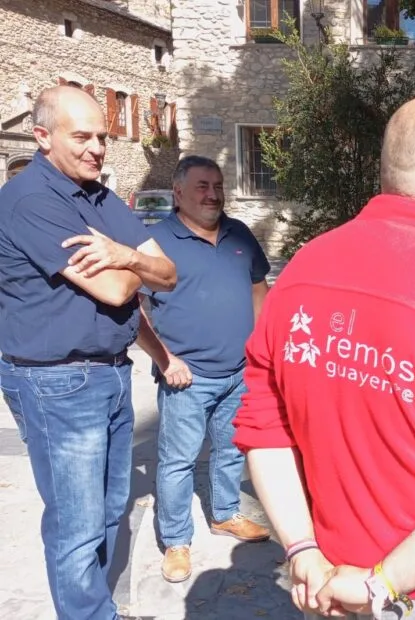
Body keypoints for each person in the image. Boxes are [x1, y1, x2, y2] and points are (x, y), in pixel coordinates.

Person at [232, 93, 415, 618]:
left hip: (324, 578)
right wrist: (379, 585)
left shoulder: (303, 268)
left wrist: (301, 548)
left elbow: (265, 429)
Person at [0, 85, 177, 620]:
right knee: (76, 526)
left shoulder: (98, 196)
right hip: (57, 381)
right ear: (42, 137)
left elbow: (166, 273)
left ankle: (93, 608)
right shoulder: (31, 200)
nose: (97, 147)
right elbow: (118, 290)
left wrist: (124, 254)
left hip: (112, 374)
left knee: (105, 512)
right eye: (81, 136)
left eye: (102, 135)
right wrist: (135, 266)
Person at [134, 155, 272, 584]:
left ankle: (226, 514)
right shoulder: (154, 243)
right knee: (178, 461)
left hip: (238, 373)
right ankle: (176, 541)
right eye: (201, 186)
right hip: (186, 379)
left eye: (217, 185)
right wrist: (164, 360)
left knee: (232, 450)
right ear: (178, 192)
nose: (213, 194)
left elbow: (257, 286)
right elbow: (131, 309)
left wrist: (260, 348)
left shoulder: (239, 234)